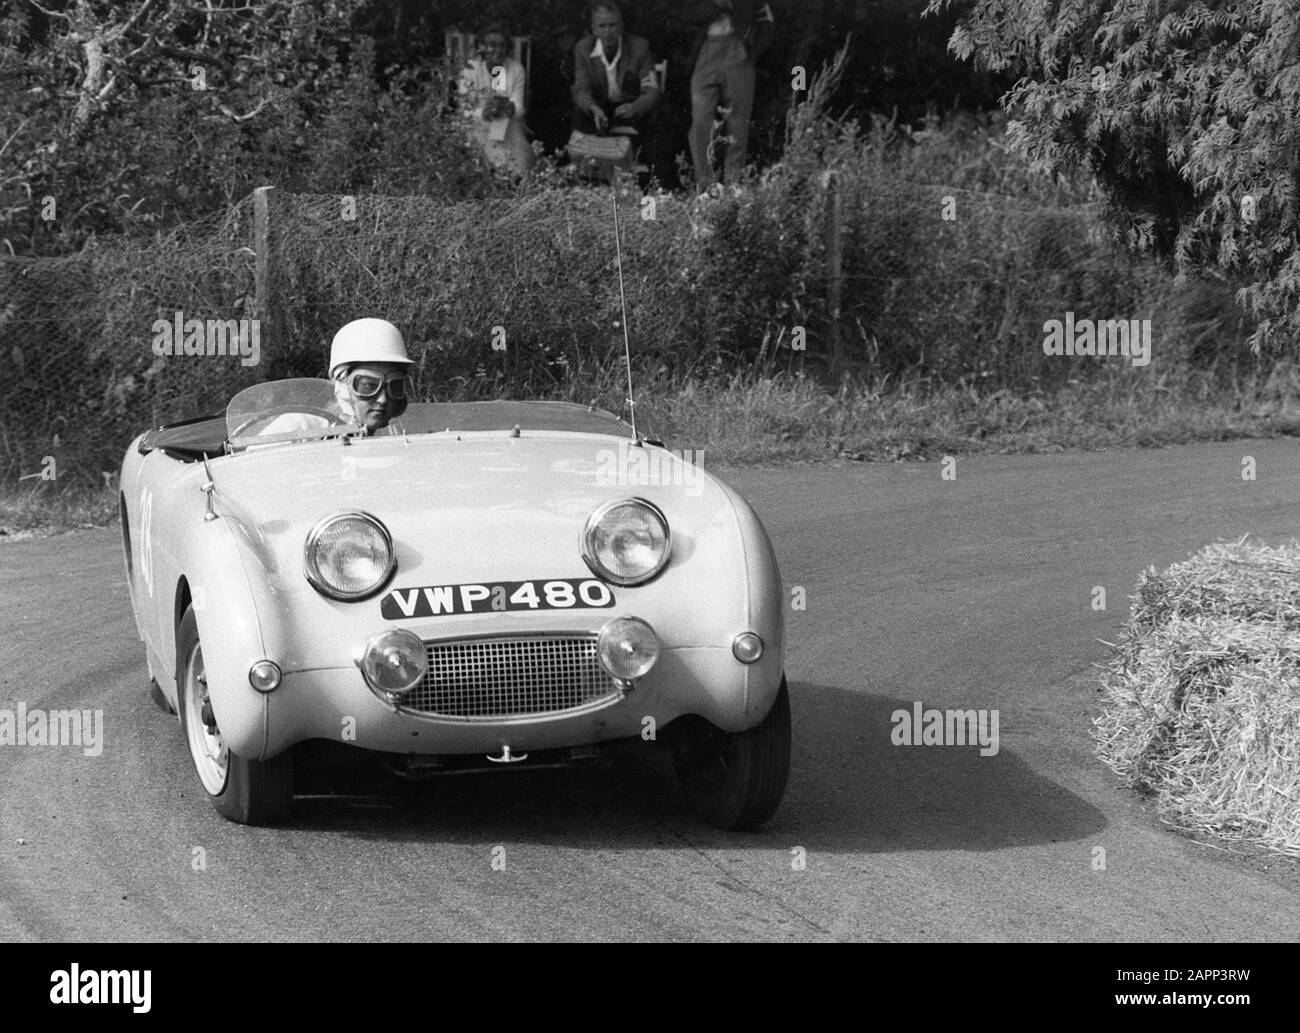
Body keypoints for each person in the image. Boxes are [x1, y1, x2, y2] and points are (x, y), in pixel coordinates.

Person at [251, 319, 415, 440]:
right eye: (368, 385)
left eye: (395, 386)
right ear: (342, 385)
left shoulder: (395, 440)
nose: (383, 399)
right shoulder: (299, 428)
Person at [685, 0, 775, 190]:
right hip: (706, 48)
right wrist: (715, 6)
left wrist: (753, 51)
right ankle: (705, 185)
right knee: (701, 120)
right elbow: (685, 14)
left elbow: (765, 19)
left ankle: (733, 185)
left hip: (737, 49)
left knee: (738, 122)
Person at [571, 2, 662, 150]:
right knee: (580, 114)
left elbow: (651, 90)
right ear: (594, 29)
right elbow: (581, 89)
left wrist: (635, 107)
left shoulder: (639, 46)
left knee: (655, 118)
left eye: (612, 25)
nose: (608, 33)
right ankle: (585, 167)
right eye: (602, 26)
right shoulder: (583, 49)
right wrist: (593, 108)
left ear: (622, 26)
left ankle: (647, 171)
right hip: (600, 107)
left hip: (630, 107)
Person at [458, 22, 534, 177]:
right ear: (482, 47)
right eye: (492, 45)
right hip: (476, 126)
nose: (498, 50)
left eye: (502, 45)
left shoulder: (515, 69)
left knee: (521, 164)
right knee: (487, 164)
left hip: (507, 126)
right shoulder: (470, 71)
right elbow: (465, 111)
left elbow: (519, 107)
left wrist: (511, 109)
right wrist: (483, 113)